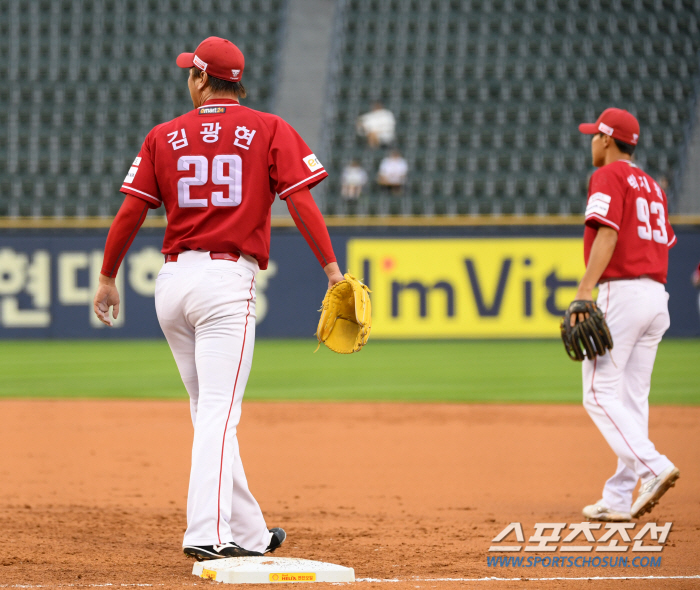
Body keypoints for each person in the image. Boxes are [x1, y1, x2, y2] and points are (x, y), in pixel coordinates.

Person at [92, 36, 344, 560]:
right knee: (218, 416)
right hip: (226, 284)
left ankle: (250, 533)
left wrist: (108, 276)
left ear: (203, 79)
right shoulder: (270, 128)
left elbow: (131, 213)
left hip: (173, 283)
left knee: (208, 411)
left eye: (192, 72)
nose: (189, 79)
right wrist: (332, 270)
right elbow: (299, 201)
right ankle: (206, 533)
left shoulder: (164, 136)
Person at [573, 108, 679, 523]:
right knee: (632, 399)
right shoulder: (652, 185)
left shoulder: (609, 175)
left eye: (593, 136)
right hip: (657, 295)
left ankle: (653, 467)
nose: (591, 142)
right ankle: (618, 497)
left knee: (597, 393)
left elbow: (609, 231)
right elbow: (663, 240)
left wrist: (585, 291)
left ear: (605, 139)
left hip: (624, 292)